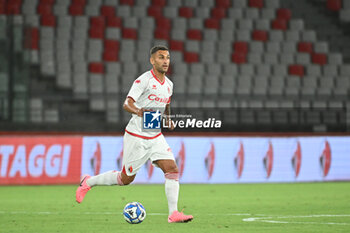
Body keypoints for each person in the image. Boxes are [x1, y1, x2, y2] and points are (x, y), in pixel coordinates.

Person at [76, 45, 193, 223]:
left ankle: (173, 213)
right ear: (152, 60)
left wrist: (168, 119)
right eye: (161, 57)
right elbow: (127, 103)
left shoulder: (169, 84)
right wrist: (139, 112)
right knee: (125, 179)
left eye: (167, 57)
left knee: (172, 169)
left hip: (155, 136)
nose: (165, 61)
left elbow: (166, 103)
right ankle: (88, 182)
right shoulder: (143, 80)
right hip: (137, 136)